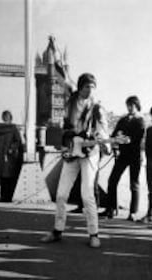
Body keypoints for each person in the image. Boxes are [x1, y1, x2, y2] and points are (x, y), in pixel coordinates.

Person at [40, 73, 110, 248]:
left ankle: (94, 234)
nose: (90, 91)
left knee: (87, 195)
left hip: (89, 152)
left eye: (93, 88)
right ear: (80, 87)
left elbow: (102, 130)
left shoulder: (97, 108)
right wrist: (64, 144)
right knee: (61, 194)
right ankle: (57, 230)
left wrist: (106, 144)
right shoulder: (69, 103)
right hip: (72, 152)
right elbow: (63, 127)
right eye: (87, 87)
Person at [100, 96, 145, 221]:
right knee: (112, 180)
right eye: (128, 105)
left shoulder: (140, 120)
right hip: (123, 154)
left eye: (132, 105)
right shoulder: (123, 120)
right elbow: (114, 134)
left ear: (137, 105)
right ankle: (110, 209)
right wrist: (116, 138)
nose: (130, 108)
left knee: (134, 184)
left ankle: (133, 212)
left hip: (135, 155)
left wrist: (125, 138)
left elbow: (137, 137)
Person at [0, 110, 23, 202]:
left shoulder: (13, 128)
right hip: (1, 156)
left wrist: (11, 149)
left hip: (10, 157)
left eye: (7, 117)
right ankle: (3, 196)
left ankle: (8, 197)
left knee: (9, 177)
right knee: (2, 177)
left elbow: (18, 141)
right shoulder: (0, 128)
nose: (5, 119)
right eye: (4, 117)